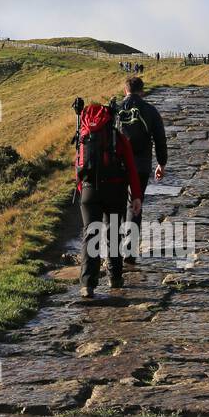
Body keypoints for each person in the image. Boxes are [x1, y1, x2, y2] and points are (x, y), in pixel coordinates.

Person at [75, 101, 144, 298]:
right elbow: (131, 168)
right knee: (113, 232)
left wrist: (83, 191)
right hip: (115, 189)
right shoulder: (118, 138)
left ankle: (88, 284)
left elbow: (78, 167)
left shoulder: (84, 136)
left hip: (89, 191)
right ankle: (115, 277)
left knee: (91, 234)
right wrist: (136, 196)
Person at [117, 77, 167, 265]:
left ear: (125, 91)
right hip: (141, 165)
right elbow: (160, 139)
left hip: (117, 165)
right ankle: (129, 251)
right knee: (135, 205)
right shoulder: (150, 110)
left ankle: (114, 249)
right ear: (142, 91)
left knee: (117, 205)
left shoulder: (115, 109)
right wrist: (161, 163)